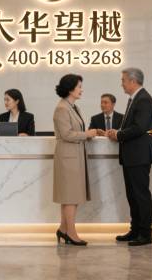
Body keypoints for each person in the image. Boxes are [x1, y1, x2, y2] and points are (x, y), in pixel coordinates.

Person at [106, 67, 152, 246]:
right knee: (132, 195)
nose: (122, 84)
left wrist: (119, 135)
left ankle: (145, 233)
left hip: (139, 156)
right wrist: (118, 131)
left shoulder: (144, 99)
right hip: (131, 156)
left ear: (133, 81)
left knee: (141, 195)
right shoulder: (134, 99)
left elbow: (140, 127)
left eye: (123, 80)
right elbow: (132, 125)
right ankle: (135, 230)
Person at [53, 74, 98, 246]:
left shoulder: (73, 107)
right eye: (79, 86)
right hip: (67, 158)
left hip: (74, 156)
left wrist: (89, 134)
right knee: (70, 197)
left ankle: (63, 230)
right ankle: (71, 234)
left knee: (71, 196)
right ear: (70, 88)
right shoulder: (62, 108)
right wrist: (87, 134)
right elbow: (66, 134)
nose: (81, 90)